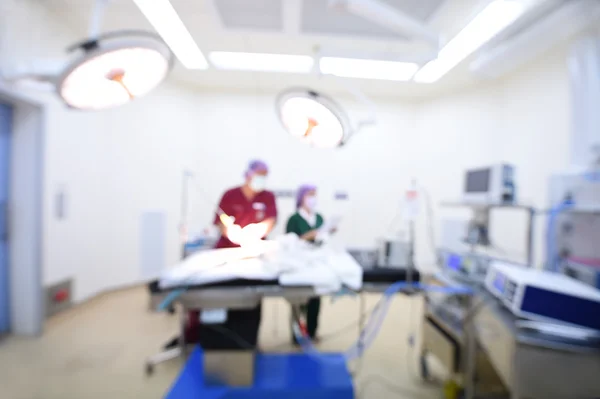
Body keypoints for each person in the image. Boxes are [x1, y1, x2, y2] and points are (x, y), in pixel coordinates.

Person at [169, 160, 277, 349]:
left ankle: (248, 341)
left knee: (252, 297)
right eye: (259, 174)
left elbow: (270, 220)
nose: (262, 179)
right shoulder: (230, 195)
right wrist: (232, 233)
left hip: (254, 254)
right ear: (248, 174)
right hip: (227, 251)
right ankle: (209, 338)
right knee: (221, 295)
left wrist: (257, 231)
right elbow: (221, 222)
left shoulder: (267, 196)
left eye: (265, 175)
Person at [286, 184, 332, 343]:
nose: (313, 198)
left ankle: (312, 332)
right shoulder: (294, 219)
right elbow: (289, 242)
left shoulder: (319, 217)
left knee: (315, 298)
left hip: (316, 262)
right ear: (301, 198)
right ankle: (297, 335)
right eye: (310, 195)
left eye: (315, 194)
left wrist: (327, 232)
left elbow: (323, 239)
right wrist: (307, 236)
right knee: (299, 300)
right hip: (299, 263)